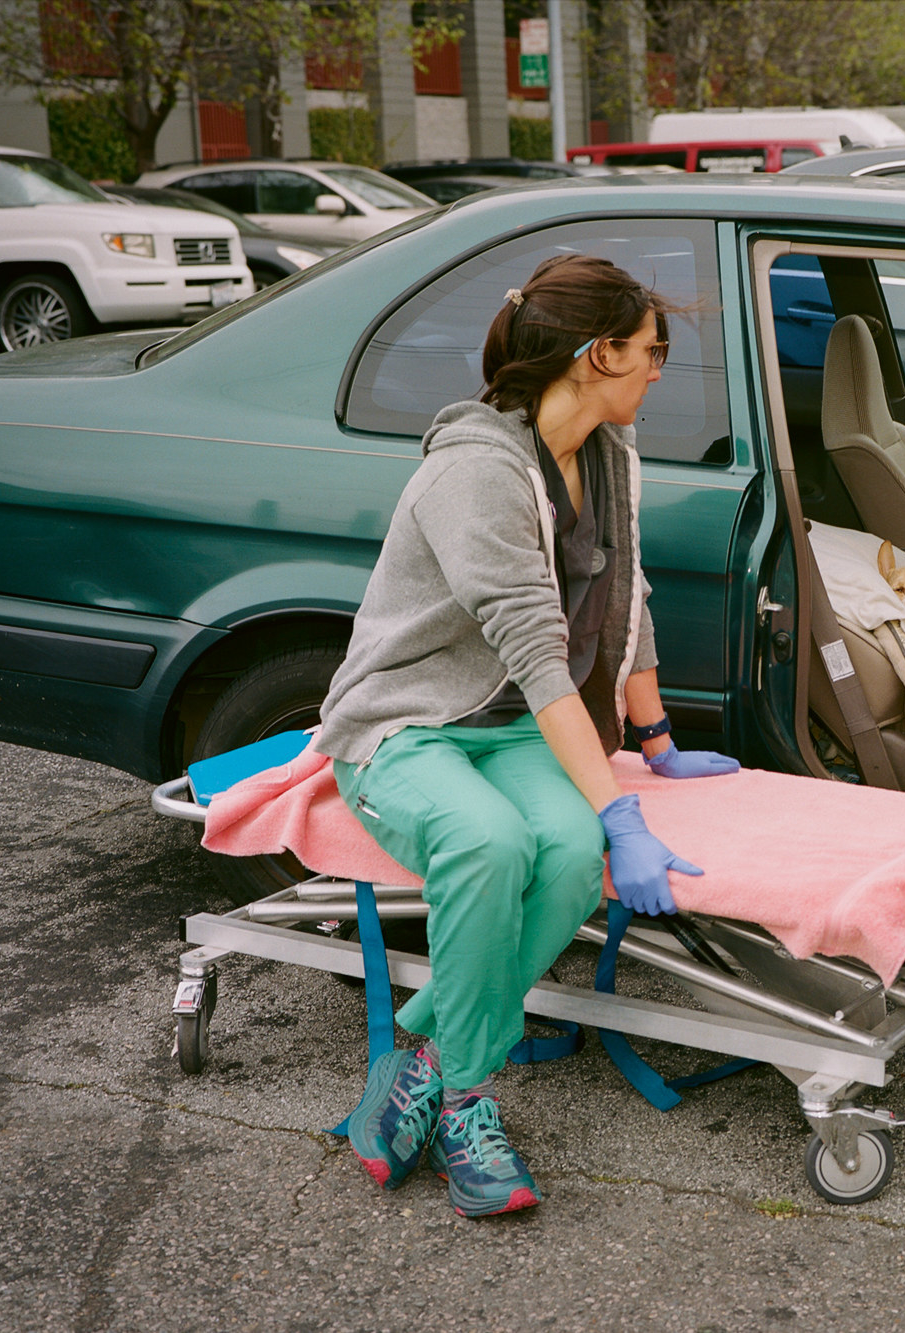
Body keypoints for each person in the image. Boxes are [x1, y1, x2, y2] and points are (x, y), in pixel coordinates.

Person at [313, 255, 739, 1216]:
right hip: (408, 724)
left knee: (571, 847)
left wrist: (657, 736)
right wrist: (624, 802)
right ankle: (464, 1096)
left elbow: (628, 600)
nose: (660, 369)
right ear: (597, 356)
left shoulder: (610, 455)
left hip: (512, 731)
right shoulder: (477, 469)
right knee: (489, 841)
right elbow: (539, 651)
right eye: (650, 350)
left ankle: (419, 1053)